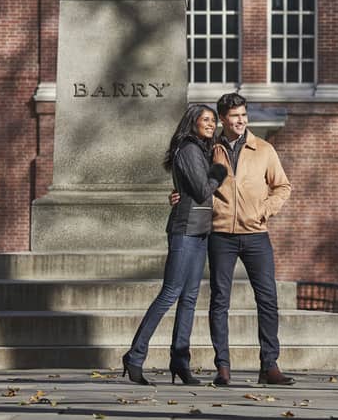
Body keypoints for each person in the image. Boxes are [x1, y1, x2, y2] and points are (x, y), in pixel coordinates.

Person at [122, 104, 227, 385]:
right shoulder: (190, 148)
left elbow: (195, 189)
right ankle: (134, 356)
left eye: (213, 120)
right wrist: (218, 171)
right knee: (170, 293)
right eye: (205, 119)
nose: (211, 123)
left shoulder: (201, 149)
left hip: (200, 231)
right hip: (184, 231)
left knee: (190, 299)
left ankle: (180, 362)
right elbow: (203, 189)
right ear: (192, 122)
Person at [207, 92, 293, 386]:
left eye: (244, 114)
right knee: (219, 301)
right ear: (223, 119)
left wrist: (264, 211)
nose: (241, 120)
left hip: (256, 234)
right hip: (220, 235)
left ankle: (269, 366)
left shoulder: (264, 149)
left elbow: (282, 187)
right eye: (235, 116)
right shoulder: (210, 148)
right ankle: (223, 367)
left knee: (267, 298)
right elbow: (195, 182)